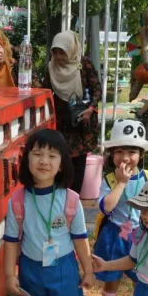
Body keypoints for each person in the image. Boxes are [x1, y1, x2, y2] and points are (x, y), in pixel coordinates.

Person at [4, 129, 96, 296]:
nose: (44, 161)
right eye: (37, 154)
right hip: (31, 268)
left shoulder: (70, 199)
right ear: (26, 159)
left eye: (52, 155)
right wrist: (10, 274)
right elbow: (11, 240)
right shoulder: (18, 200)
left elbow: (80, 237)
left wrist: (88, 269)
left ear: (62, 163)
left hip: (63, 268)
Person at [92, 119, 148, 296]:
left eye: (132, 151)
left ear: (141, 154)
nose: (126, 157)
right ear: (112, 154)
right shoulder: (109, 179)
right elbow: (106, 206)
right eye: (119, 151)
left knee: (145, 282)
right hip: (114, 238)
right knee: (112, 280)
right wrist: (120, 183)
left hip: (142, 237)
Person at [43, 30, 101, 194]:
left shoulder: (84, 64)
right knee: (60, 161)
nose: (59, 57)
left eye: (63, 52)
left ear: (71, 49)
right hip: (61, 123)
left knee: (78, 165)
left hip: (82, 122)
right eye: (55, 52)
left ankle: (73, 203)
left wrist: (90, 109)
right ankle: (60, 198)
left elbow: (97, 89)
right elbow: (45, 92)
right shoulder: (51, 68)